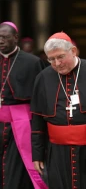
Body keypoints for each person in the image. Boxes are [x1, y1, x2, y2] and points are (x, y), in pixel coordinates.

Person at [0, 21, 47, 189]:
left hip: (22, 123)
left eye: (6, 37)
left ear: (16, 38)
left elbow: (40, 98)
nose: (1, 41)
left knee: (18, 167)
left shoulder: (32, 62)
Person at [31, 32, 86, 189]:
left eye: (61, 57)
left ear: (73, 51)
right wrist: (37, 154)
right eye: (51, 59)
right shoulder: (43, 77)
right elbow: (37, 120)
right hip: (56, 152)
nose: (57, 63)